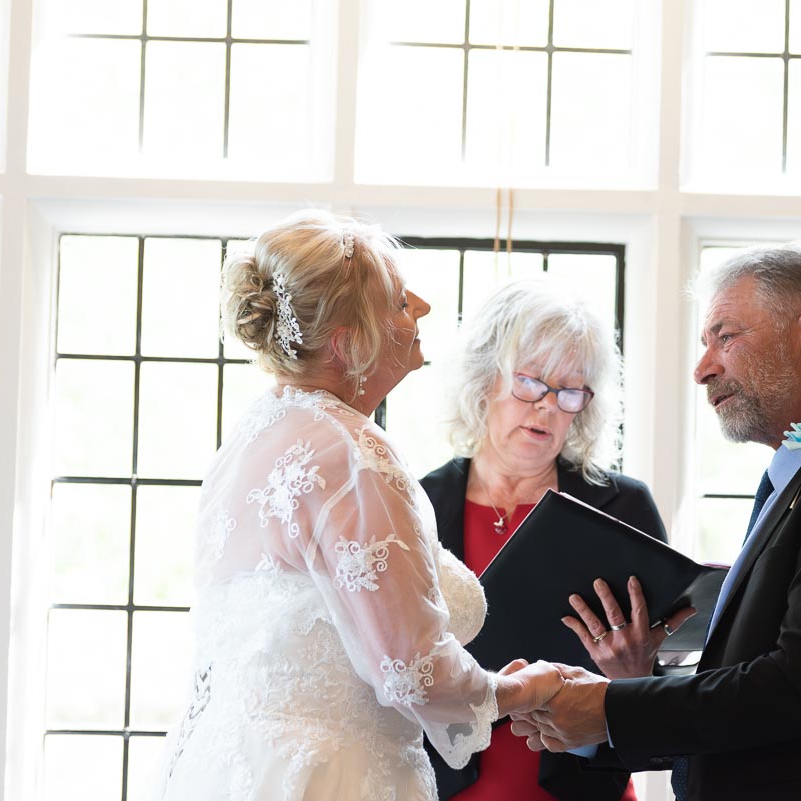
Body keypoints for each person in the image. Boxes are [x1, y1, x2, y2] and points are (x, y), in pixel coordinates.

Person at [512, 244, 801, 801]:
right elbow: (761, 695)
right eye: (705, 344)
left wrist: (608, 708)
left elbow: (800, 687)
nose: (703, 369)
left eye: (726, 336)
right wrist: (632, 685)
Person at [153, 211, 561, 801]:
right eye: (398, 301)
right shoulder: (350, 454)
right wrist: (524, 689)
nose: (420, 306)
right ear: (349, 344)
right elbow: (412, 671)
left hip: (225, 767)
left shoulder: (245, 443)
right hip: (332, 777)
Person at [420, 278, 695, 801]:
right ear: (484, 381)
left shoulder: (624, 507)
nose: (547, 406)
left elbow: (661, 711)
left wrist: (633, 672)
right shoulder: (418, 504)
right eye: (530, 382)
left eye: (569, 391)